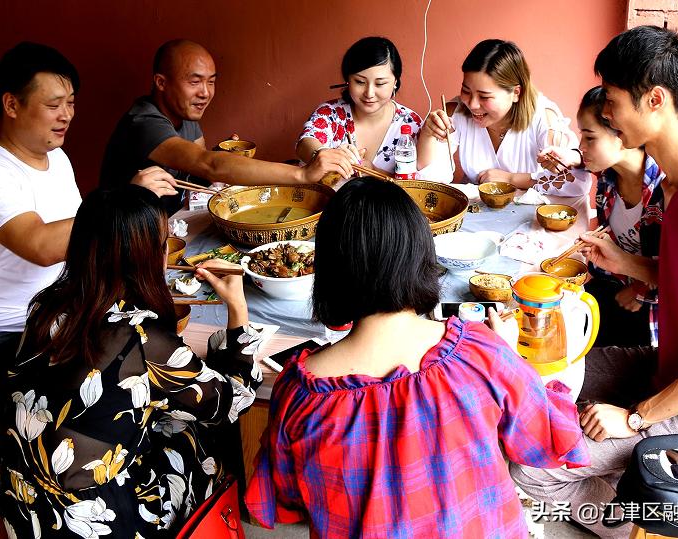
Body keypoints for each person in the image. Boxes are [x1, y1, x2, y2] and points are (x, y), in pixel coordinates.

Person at [509, 26, 678, 539]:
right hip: (670, 364)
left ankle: (646, 517)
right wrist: (623, 262)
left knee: (532, 466)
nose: (605, 114)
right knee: (557, 371)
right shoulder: (676, 184)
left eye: (611, 101)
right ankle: (628, 477)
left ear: (654, 100)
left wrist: (632, 420)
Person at [244, 177, 589, 538]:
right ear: (421, 258)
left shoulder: (300, 394)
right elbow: (545, 440)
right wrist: (510, 357)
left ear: (330, 272)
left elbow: (285, 498)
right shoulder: (479, 353)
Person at [0, 185, 263, 538]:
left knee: (160, 415)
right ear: (147, 254)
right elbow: (231, 403)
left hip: (22, 505)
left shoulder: (46, 307)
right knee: (194, 438)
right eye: (164, 241)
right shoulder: (142, 339)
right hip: (91, 523)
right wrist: (238, 310)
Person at [0, 42, 174, 399]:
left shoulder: (55, 157)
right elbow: (40, 246)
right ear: (11, 104)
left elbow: (81, 236)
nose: (66, 115)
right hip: (5, 339)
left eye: (70, 103)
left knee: (157, 355)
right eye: (53, 105)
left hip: (60, 319)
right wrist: (125, 201)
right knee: (128, 389)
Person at [101, 39, 354, 213]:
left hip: (169, 221)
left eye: (211, 82)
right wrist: (303, 175)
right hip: (121, 235)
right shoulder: (144, 122)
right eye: (195, 82)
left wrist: (224, 156)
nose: (205, 93)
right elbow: (208, 165)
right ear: (161, 82)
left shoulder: (186, 114)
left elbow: (201, 167)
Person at [417, 39, 591, 194]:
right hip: (475, 215)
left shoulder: (543, 117)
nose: (472, 104)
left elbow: (577, 182)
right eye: (466, 91)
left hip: (528, 218)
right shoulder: (455, 113)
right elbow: (430, 183)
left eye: (484, 96)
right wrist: (426, 135)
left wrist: (512, 179)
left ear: (516, 93)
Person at [577, 86, 664, 348]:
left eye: (589, 138)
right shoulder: (608, 176)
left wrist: (640, 292)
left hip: (649, 310)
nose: (580, 147)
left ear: (620, 134)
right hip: (611, 287)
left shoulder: (665, 188)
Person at [296, 36, 422, 181]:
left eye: (380, 84)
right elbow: (304, 143)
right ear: (348, 80)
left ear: (395, 82)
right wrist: (322, 153)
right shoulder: (331, 113)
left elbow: (415, 183)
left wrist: (374, 172)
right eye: (360, 82)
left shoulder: (410, 123)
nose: (369, 93)